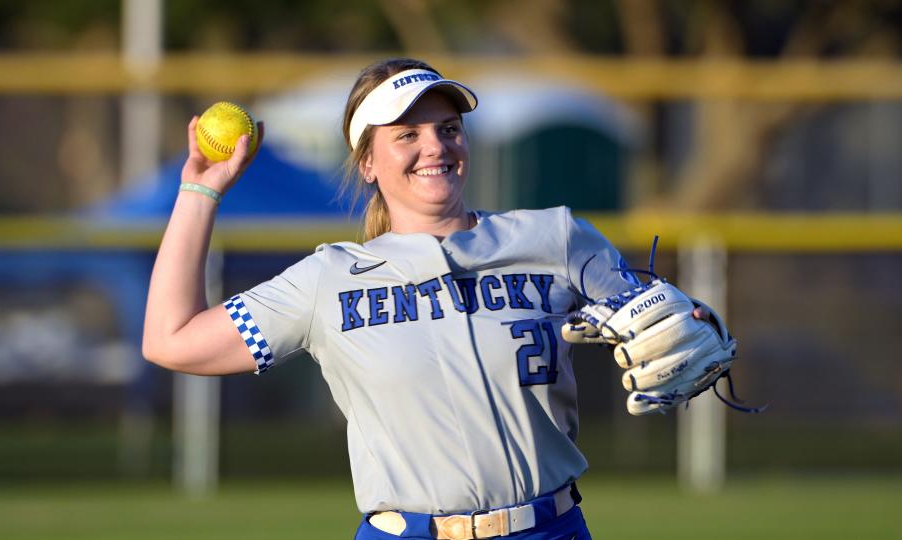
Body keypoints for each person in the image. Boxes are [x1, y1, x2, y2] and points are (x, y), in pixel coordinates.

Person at [143, 57, 699, 540]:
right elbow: (171, 340)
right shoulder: (329, 279)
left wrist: (698, 323)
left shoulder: (554, 238)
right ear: (368, 163)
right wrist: (200, 192)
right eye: (406, 134)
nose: (435, 146)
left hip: (548, 531)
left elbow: (667, 319)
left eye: (449, 128)